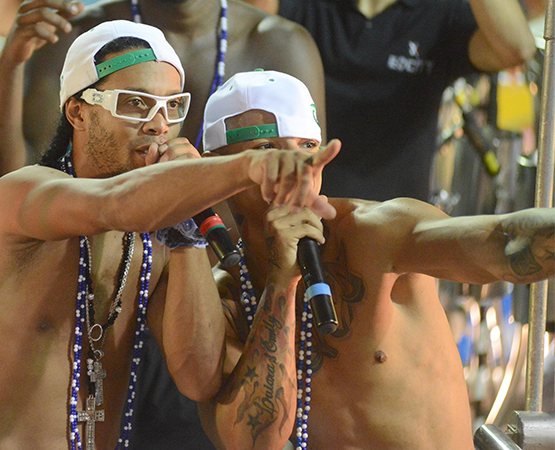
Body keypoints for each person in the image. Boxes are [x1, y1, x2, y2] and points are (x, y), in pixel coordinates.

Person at [0, 23, 339, 450]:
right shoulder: (22, 194)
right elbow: (112, 204)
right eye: (135, 104)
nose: (158, 124)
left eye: (171, 107)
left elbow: (198, 377)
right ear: (78, 112)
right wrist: (250, 166)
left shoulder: (154, 241)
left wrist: (188, 235)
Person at [197, 70, 555, 450]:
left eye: (305, 147)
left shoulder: (375, 233)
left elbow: (504, 244)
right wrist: (282, 281)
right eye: (267, 150)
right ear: (213, 167)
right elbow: (250, 441)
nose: (295, 167)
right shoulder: (224, 296)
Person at [0, 0, 327, 202]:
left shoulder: (281, 43)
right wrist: (12, 62)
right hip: (99, 286)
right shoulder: (78, 37)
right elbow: (0, 189)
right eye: (135, 102)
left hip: (230, 287)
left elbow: (309, 182)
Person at [275, 0, 537, 202]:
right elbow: (248, 28)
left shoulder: (439, 11)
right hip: (301, 218)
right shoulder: (304, 5)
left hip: (397, 236)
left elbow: (517, 48)